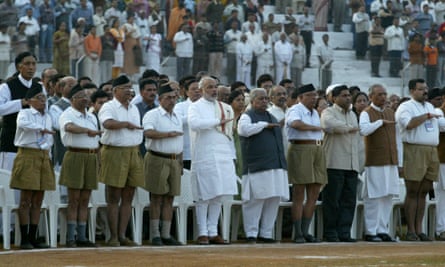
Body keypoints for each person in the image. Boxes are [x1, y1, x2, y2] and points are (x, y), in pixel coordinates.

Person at [188, 76, 238, 245]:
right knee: (204, 195)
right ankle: (202, 232)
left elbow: (230, 134)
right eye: (209, 87)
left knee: (218, 194)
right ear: (201, 90)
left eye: (215, 86)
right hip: (205, 155)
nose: (214, 90)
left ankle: (213, 231)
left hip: (224, 154)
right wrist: (217, 121)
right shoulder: (195, 107)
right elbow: (194, 124)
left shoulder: (225, 108)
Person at [395, 78, 445, 241]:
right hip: (414, 149)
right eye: (421, 89)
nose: (425, 91)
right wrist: (427, 116)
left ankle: (419, 229)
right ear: (412, 91)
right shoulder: (406, 107)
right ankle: (410, 230)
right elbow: (408, 124)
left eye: (426, 88)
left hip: (431, 151)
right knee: (413, 191)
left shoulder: (430, 106)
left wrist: (432, 114)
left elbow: (440, 123)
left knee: (424, 191)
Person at [98, 75, 145, 246]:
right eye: (125, 87)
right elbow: (107, 124)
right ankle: (113, 236)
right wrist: (126, 124)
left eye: (130, 87)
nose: (129, 90)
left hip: (133, 151)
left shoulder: (133, 107)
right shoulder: (108, 106)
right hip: (115, 152)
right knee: (113, 196)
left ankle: (122, 235)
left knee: (128, 195)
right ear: (115, 90)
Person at [238, 88, 289, 244]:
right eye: (261, 99)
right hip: (258, 166)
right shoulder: (247, 116)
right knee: (256, 200)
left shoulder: (271, 116)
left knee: (273, 199)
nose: (264, 101)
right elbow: (244, 130)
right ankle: (251, 233)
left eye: (266, 99)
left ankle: (266, 233)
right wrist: (263, 125)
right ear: (252, 101)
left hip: (276, 165)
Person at [11, 85, 55, 249]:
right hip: (28, 154)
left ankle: (33, 236)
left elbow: (49, 138)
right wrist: (41, 129)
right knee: (26, 199)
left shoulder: (48, 116)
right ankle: (24, 238)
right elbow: (24, 125)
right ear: (30, 100)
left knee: (38, 199)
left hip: (43, 155)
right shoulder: (25, 113)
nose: (43, 101)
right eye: (39, 98)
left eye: (44, 98)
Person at [59, 84, 101, 247]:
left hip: (91, 156)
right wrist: (86, 131)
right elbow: (69, 128)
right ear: (72, 99)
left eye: (86, 96)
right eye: (81, 96)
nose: (85, 99)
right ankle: (71, 236)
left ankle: (82, 236)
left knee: (85, 199)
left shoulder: (91, 116)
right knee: (74, 198)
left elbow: (96, 140)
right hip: (75, 155)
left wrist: (98, 160)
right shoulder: (67, 114)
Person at [286, 84, 327, 243]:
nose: (313, 98)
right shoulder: (295, 109)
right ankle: (297, 232)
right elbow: (295, 124)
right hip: (301, 148)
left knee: (314, 192)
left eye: (315, 95)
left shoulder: (315, 112)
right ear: (300, 97)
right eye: (309, 95)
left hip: (317, 148)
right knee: (299, 192)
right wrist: (318, 127)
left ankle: (305, 230)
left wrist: (317, 128)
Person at [359, 84, 400, 242]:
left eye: (385, 94)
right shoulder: (367, 113)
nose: (383, 97)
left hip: (391, 160)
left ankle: (383, 229)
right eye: (379, 94)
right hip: (375, 161)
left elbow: (397, 138)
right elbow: (364, 130)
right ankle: (371, 231)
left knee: (388, 195)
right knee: (374, 196)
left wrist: (399, 160)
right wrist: (380, 123)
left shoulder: (391, 112)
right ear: (371, 97)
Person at [143, 84, 183, 246]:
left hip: (174, 159)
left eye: (174, 97)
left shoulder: (177, 116)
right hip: (157, 158)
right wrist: (168, 135)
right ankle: (155, 234)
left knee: (170, 197)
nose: (172, 101)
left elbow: (180, 140)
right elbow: (148, 132)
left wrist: (180, 161)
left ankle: (166, 234)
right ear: (160, 99)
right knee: (156, 197)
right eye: (168, 97)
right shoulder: (152, 115)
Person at [320, 85, 360, 242]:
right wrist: (348, 128)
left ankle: (344, 232)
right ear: (334, 98)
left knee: (349, 201)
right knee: (332, 201)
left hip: (352, 164)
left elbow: (355, 135)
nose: (348, 98)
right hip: (334, 163)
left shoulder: (353, 114)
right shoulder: (328, 112)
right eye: (344, 95)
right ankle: (330, 232)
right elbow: (329, 125)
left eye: (349, 95)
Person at [0, 52, 40, 171]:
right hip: (10, 141)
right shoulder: (7, 86)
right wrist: (21, 103)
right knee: (8, 181)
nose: (31, 67)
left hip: (32, 142)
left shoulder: (39, 87)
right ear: (19, 66)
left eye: (33, 64)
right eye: (27, 64)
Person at [174, 79, 201, 170]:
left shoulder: (208, 106)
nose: (197, 91)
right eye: (193, 89)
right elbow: (177, 121)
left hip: (203, 154)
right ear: (187, 92)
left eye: (199, 89)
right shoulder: (180, 106)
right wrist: (194, 116)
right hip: (186, 153)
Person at [122, 13, 141, 81]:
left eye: (133, 18)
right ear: (128, 19)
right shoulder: (125, 26)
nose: (132, 20)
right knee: (128, 59)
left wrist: (139, 45)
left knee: (134, 60)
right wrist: (130, 32)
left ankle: (133, 76)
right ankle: (128, 75)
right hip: (128, 44)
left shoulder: (135, 26)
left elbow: (138, 36)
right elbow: (123, 35)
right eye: (131, 18)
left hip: (135, 44)